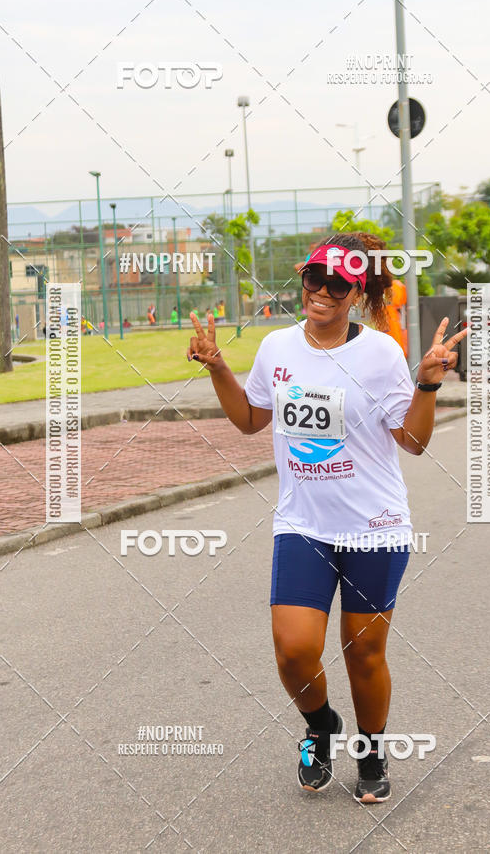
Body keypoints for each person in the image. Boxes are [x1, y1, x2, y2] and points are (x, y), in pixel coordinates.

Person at [186, 233, 465, 804]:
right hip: (303, 525)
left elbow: (412, 442)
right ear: (304, 280)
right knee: (293, 650)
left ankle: (371, 751)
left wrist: (427, 384)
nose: (323, 291)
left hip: (374, 526)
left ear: (356, 293)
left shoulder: (381, 354)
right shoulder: (277, 348)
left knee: (363, 653)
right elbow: (250, 420)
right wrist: (217, 368)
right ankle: (320, 725)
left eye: (339, 284)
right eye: (315, 278)